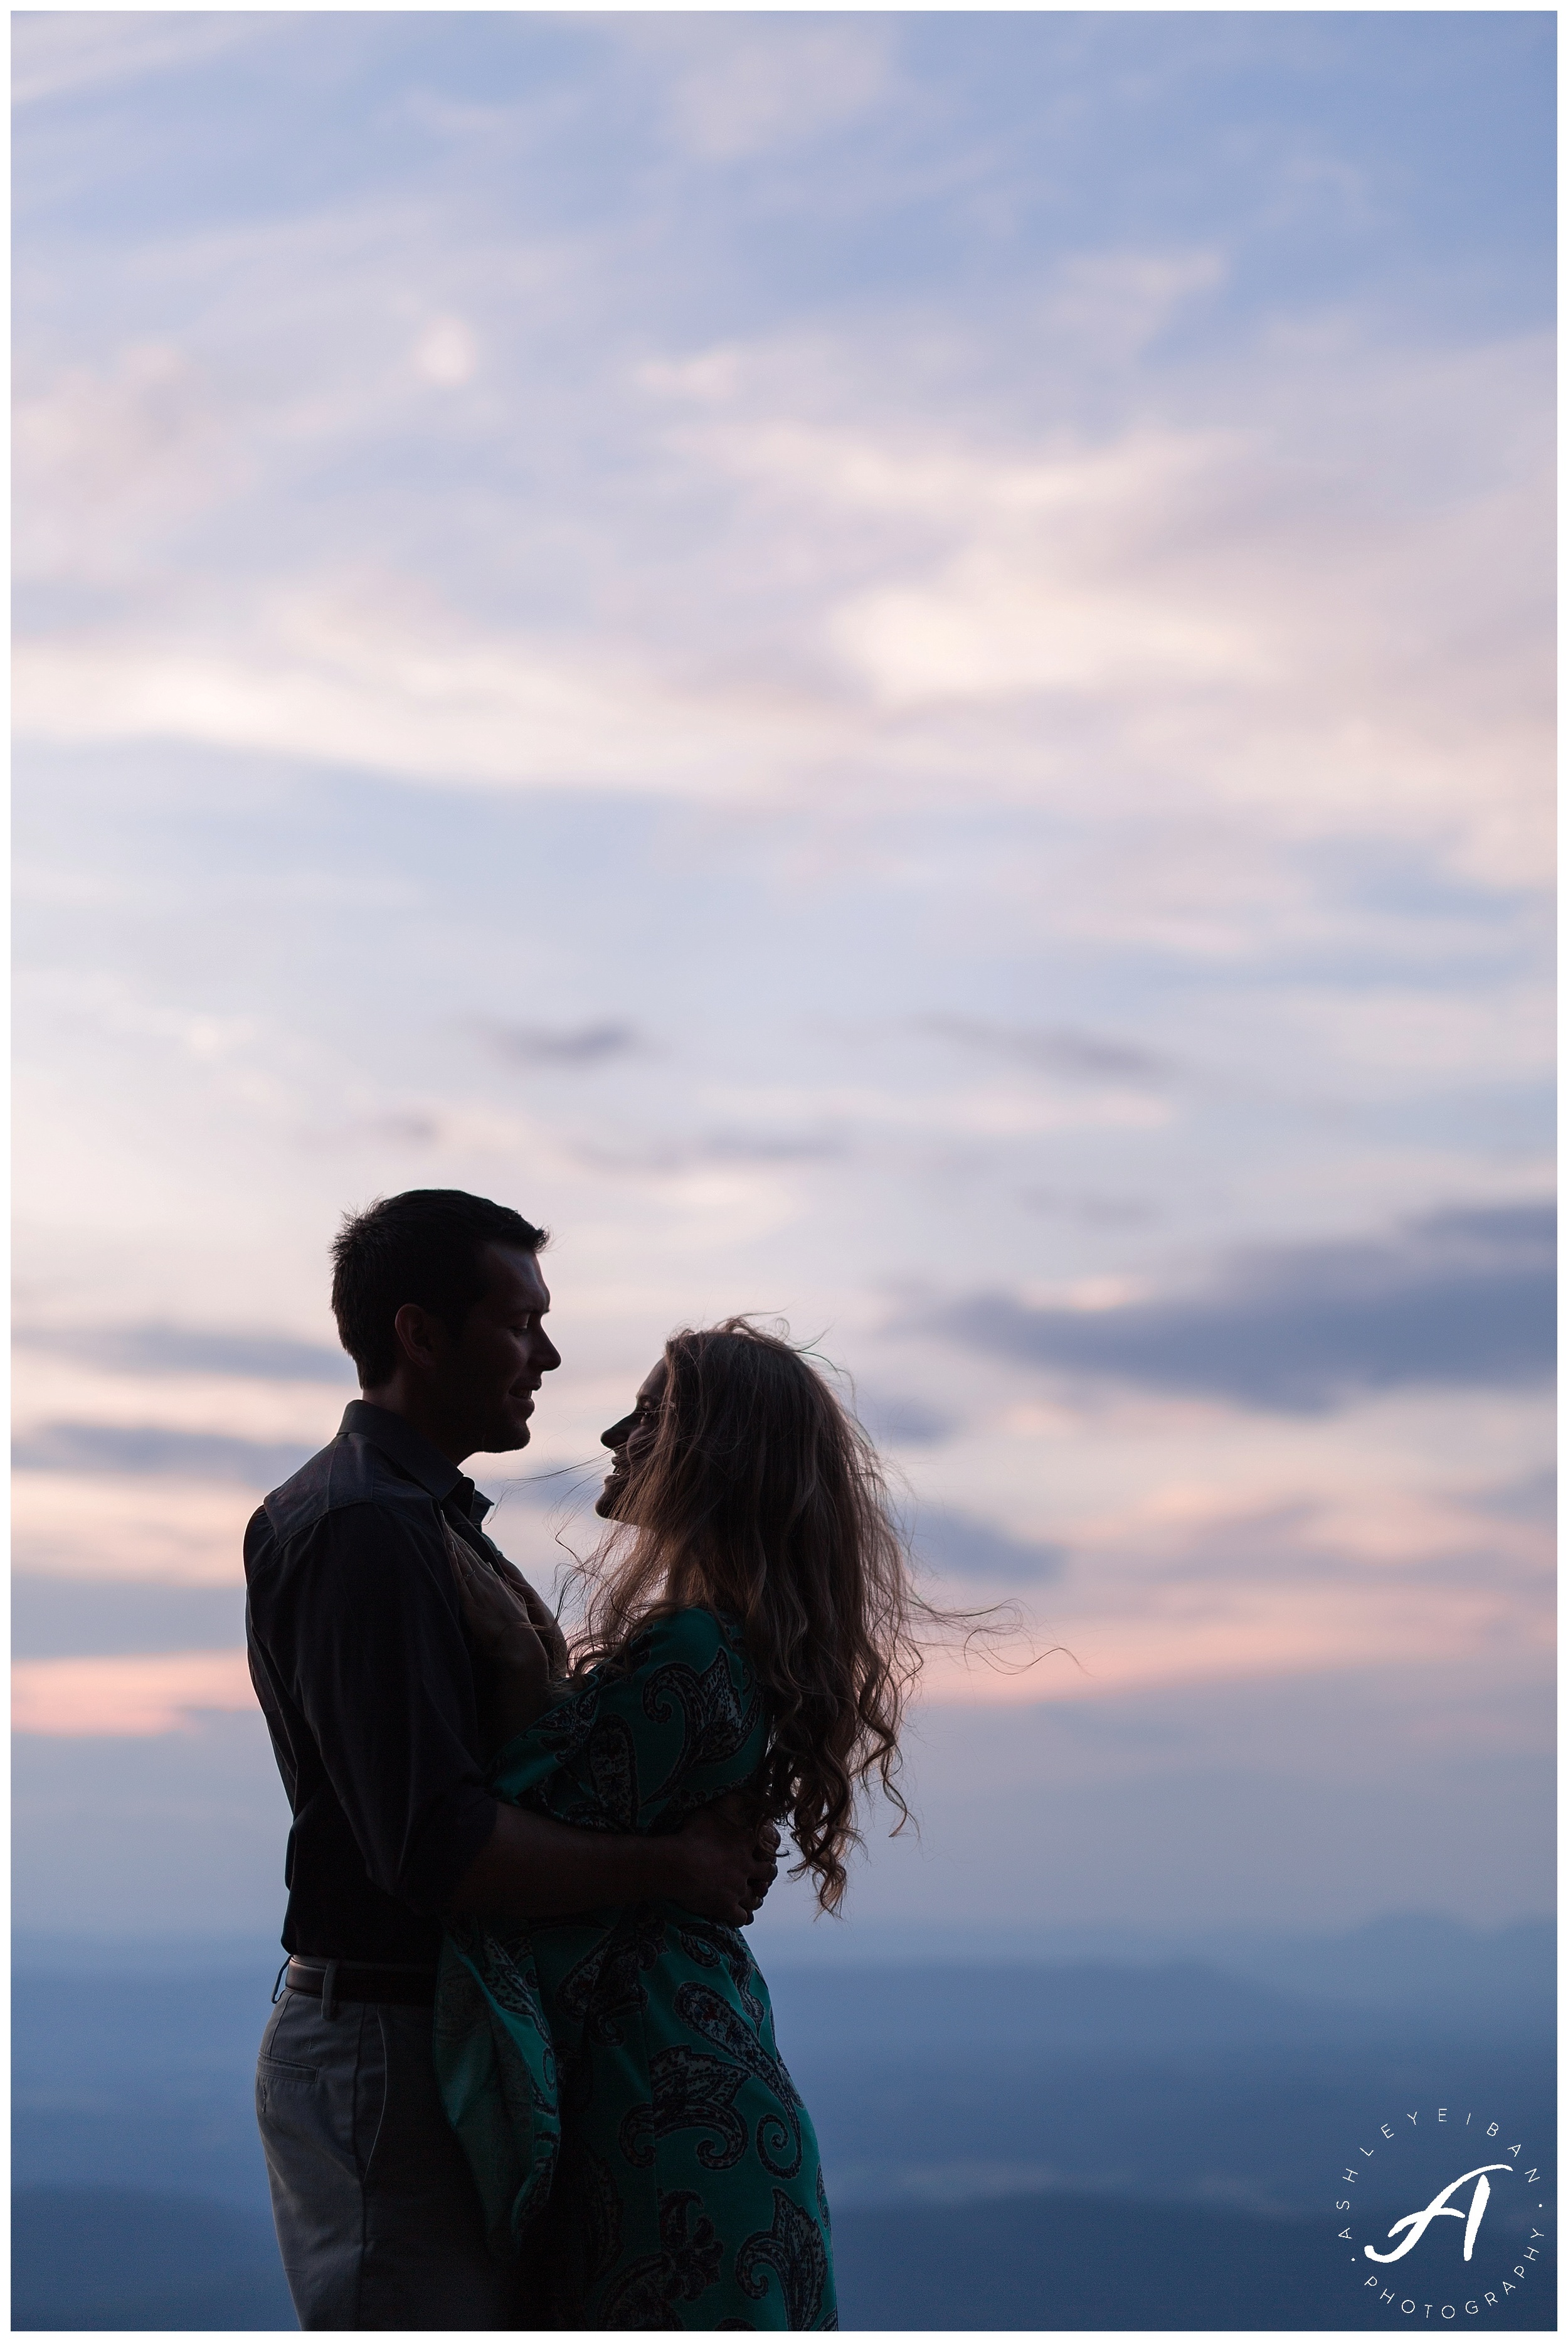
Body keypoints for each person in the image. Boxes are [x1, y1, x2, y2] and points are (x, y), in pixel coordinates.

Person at [246, 1192, 779, 2331]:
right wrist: (673, 1865)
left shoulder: (418, 1518)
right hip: (387, 2038)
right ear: (418, 1333)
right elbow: (438, 1845)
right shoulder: (370, 1528)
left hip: (427, 2032)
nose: (546, 1354)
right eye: (519, 1321)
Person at [435, 1317, 931, 2331]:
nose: (617, 1434)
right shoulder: (728, 1648)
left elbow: (487, 1837)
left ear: (716, 1457)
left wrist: (505, 1646)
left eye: (653, 1413)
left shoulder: (690, 1652)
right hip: (697, 2101)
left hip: (661, 2123)